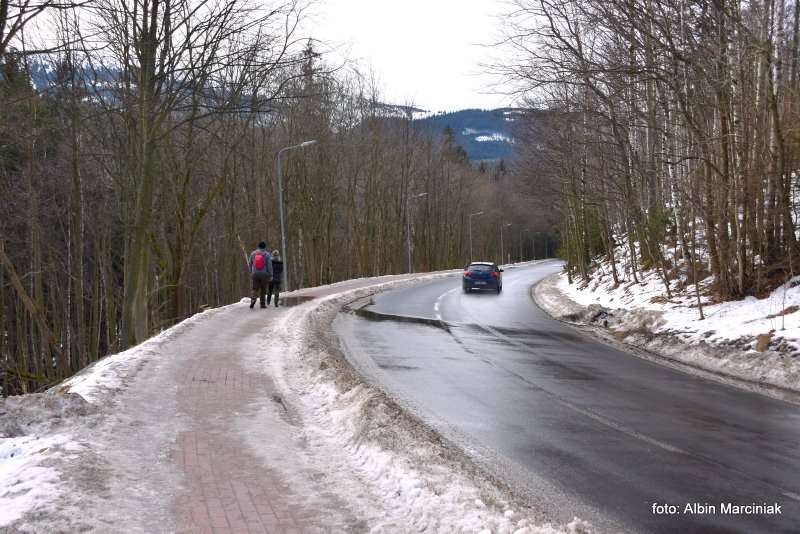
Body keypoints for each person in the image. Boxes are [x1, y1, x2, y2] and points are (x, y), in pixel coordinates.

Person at [248, 241, 273, 309]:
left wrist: (251, 272)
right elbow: (269, 266)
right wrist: (270, 275)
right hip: (264, 275)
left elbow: (250, 264)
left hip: (255, 274)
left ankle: (253, 299)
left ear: (258, 246)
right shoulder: (267, 254)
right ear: (264, 247)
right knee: (263, 289)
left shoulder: (253, 253)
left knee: (255, 288)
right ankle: (262, 304)